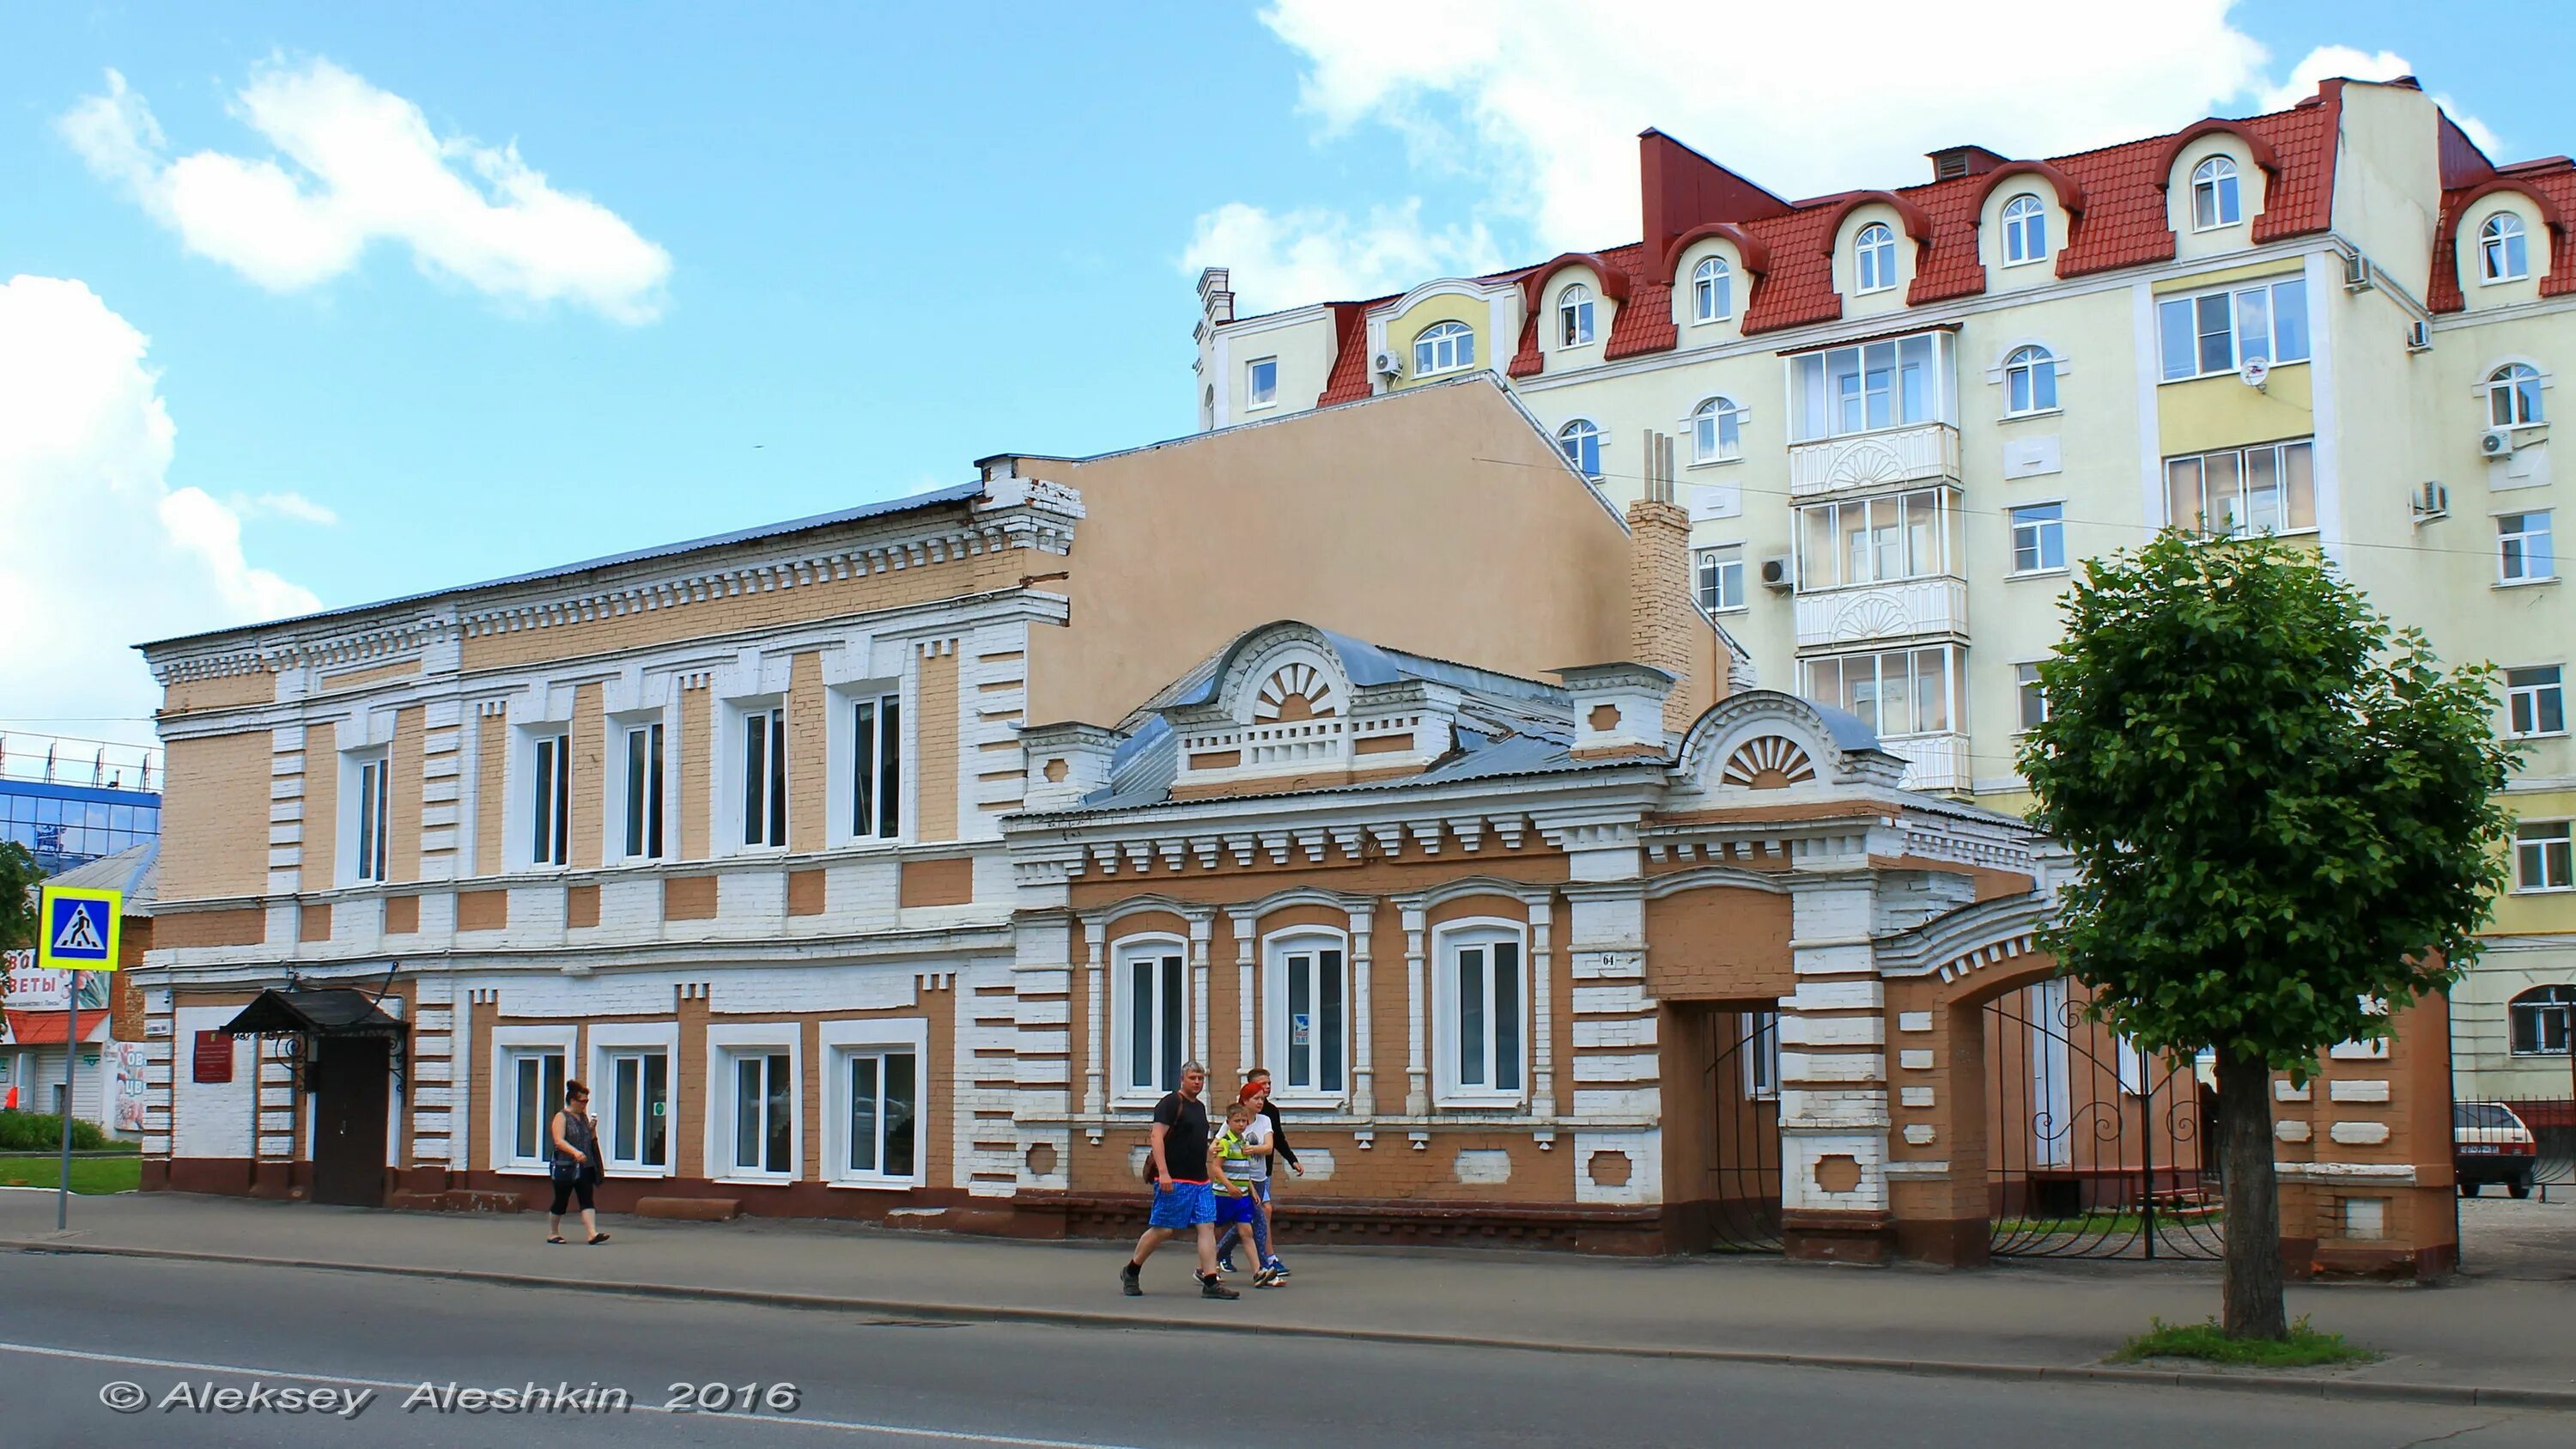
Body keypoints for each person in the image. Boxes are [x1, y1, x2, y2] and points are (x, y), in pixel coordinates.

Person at [1121, 1060, 1236, 1299]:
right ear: (1182, 1079)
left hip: (1200, 1180)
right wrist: (1163, 1173)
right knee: (1163, 1230)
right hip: (1175, 1179)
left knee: (1207, 1227)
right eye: (1193, 1078)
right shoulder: (1171, 1103)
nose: (1197, 1082)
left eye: (1201, 1078)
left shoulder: (1200, 1107)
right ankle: (1131, 1270)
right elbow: (1157, 1137)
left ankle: (1211, 1281)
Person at [1216, 1081, 1282, 1282]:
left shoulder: (1263, 1121)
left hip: (1255, 1180)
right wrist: (1214, 1149)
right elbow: (1217, 1150)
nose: (1261, 1102)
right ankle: (1266, 1265)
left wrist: (1251, 1150)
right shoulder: (1231, 1129)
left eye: (1263, 1098)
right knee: (1257, 1222)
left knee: (1245, 1226)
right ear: (1245, 1100)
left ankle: (1212, 1260)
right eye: (1257, 1098)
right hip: (1232, 1186)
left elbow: (1269, 1147)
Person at [1244, 1068, 1302, 1279]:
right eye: (1262, 1084)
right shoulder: (1239, 1112)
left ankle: (1263, 1258)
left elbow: (1278, 1140)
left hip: (1262, 1172)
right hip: (1241, 1173)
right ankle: (1268, 1258)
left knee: (1251, 1214)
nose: (1267, 1088)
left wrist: (1292, 1160)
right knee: (1260, 1211)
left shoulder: (1270, 1113)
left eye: (1269, 1084)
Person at [547, 1081, 610, 1245]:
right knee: (561, 1201)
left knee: (587, 1199)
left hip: (584, 1166)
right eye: (583, 1101)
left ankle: (592, 1233)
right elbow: (558, 1141)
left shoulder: (582, 1117)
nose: (585, 1104)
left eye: (587, 1101)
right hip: (565, 1166)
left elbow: (587, 1139)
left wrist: (591, 1130)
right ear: (573, 1100)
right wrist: (575, 1152)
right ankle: (553, 1233)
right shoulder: (561, 1117)